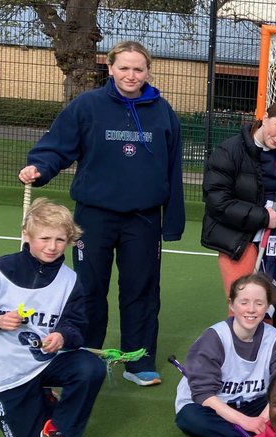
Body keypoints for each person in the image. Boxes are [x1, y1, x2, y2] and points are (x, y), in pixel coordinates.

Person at [18, 40, 183, 387]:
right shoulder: (87, 106)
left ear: (147, 71)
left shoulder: (163, 112)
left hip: (144, 219)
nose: (131, 75)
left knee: (141, 289)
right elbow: (58, 146)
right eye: (123, 67)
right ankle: (83, 358)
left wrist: (173, 221)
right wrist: (39, 167)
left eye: (138, 69)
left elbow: (172, 170)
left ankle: (137, 362)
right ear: (110, 68)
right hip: (93, 216)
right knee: (89, 288)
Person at [0, 198, 103, 437]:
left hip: (47, 360)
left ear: (69, 240)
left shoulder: (70, 280)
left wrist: (62, 335)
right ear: (26, 235)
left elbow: (76, 323)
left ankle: (57, 428)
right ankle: (44, 398)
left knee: (89, 368)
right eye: (44, 238)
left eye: (60, 240)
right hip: (8, 367)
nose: (52, 247)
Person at [175, 273, 276, 437]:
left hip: (253, 403)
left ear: (268, 307)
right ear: (231, 304)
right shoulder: (214, 338)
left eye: (259, 303)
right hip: (213, 406)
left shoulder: (272, 336)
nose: (251, 310)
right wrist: (246, 422)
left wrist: (263, 419)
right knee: (189, 418)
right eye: (244, 302)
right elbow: (204, 395)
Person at [201, 100, 276, 298]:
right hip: (238, 239)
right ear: (265, 118)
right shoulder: (229, 151)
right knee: (243, 305)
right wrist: (262, 217)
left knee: (268, 306)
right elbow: (217, 201)